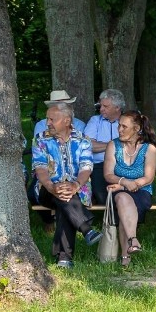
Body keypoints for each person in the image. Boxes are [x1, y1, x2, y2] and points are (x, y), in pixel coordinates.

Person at [31, 102, 102, 268]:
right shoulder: (41, 139)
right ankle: (86, 229)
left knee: (65, 202)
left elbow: (86, 167)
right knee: (64, 196)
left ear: (66, 121)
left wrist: (75, 185)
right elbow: (40, 168)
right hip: (46, 189)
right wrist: (51, 187)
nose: (47, 122)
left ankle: (64, 258)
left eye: (52, 119)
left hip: (77, 189)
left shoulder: (82, 140)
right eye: (47, 118)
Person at [104, 110, 156, 267]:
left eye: (124, 126)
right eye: (119, 126)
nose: (119, 129)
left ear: (137, 128)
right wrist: (124, 183)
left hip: (141, 191)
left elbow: (148, 178)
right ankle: (132, 241)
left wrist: (125, 184)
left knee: (123, 201)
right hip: (119, 191)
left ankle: (125, 255)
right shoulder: (113, 145)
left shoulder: (149, 149)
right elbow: (108, 174)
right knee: (122, 198)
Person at [84, 89, 125, 205]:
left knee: (125, 192)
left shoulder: (128, 121)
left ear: (117, 107)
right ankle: (117, 219)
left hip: (123, 164)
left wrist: (101, 144)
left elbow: (133, 144)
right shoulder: (95, 120)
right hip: (99, 165)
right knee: (102, 195)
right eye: (100, 105)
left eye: (105, 106)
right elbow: (88, 145)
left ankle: (123, 219)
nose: (101, 109)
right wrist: (114, 145)